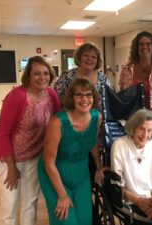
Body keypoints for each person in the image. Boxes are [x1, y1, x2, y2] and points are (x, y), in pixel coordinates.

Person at [0, 56, 61, 225]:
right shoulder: (17, 96)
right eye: (36, 73)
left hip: (34, 157)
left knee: (30, 203)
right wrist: (11, 167)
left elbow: (59, 121)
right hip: (10, 159)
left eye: (45, 73)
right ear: (28, 76)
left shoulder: (51, 94)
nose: (42, 77)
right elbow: (2, 135)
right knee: (10, 207)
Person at [37, 78, 105, 225]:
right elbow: (49, 162)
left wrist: (99, 166)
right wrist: (62, 196)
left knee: (85, 220)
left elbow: (91, 142)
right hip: (54, 173)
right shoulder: (58, 122)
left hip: (81, 174)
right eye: (79, 95)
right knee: (66, 221)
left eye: (89, 94)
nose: (84, 99)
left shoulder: (96, 117)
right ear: (71, 98)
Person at [54, 42, 112, 182]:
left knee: (91, 170)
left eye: (93, 56)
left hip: (96, 130)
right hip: (72, 130)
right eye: (86, 55)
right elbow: (57, 101)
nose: (89, 59)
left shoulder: (103, 79)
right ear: (79, 57)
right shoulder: (67, 77)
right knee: (73, 171)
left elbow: (109, 103)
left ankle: (87, 195)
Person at [111, 109, 152, 225]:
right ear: (133, 128)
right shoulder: (119, 145)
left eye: (149, 130)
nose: (145, 135)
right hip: (132, 200)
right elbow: (117, 183)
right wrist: (138, 201)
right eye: (141, 129)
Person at [119, 31, 152, 109]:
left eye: (148, 44)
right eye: (141, 44)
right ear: (136, 48)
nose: (144, 47)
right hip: (132, 116)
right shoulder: (126, 69)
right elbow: (122, 94)